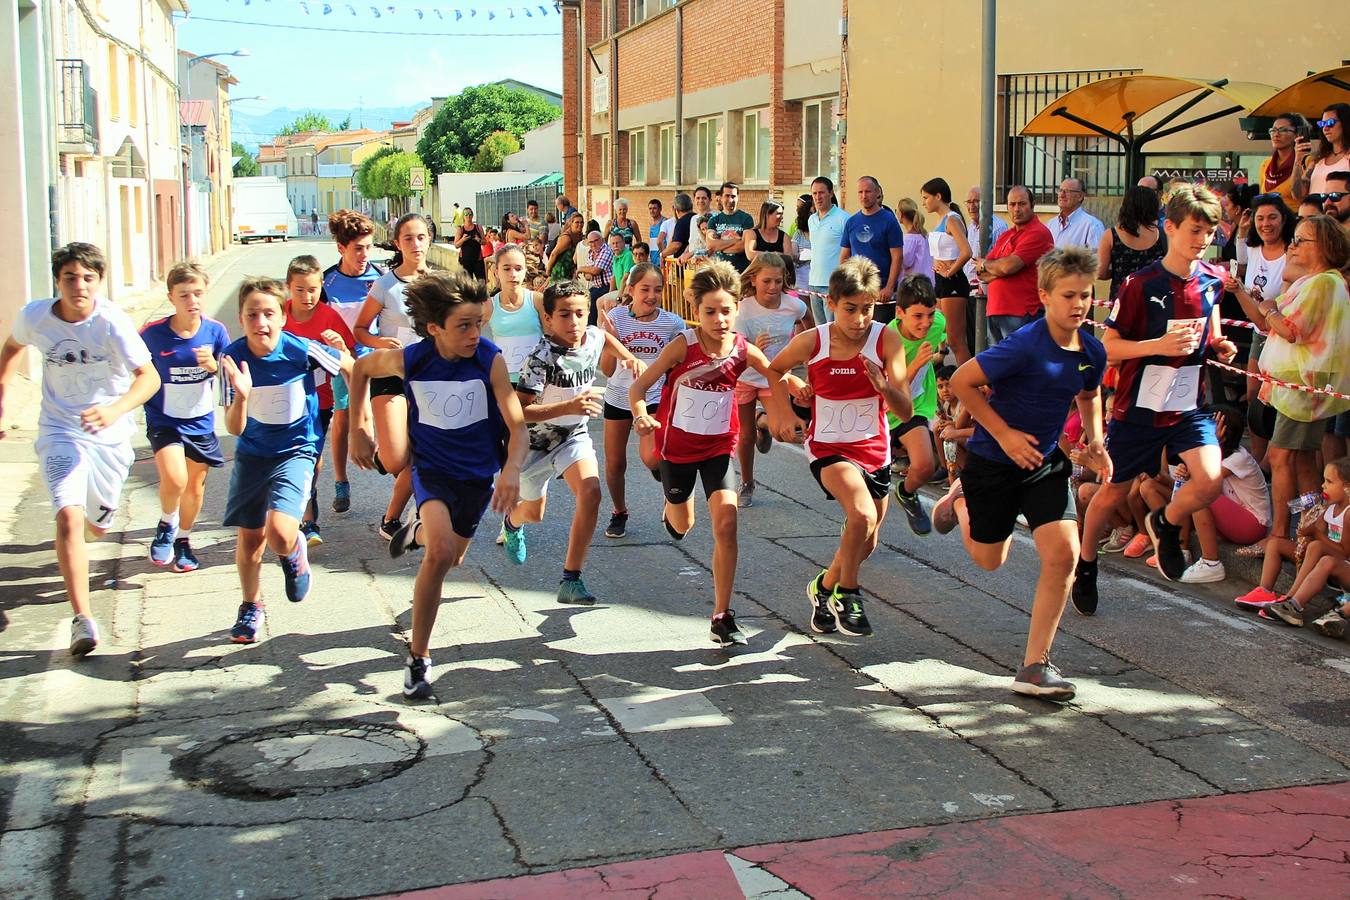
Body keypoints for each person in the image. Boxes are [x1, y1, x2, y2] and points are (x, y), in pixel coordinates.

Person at [931, 246, 1111, 701]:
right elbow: (963, 381)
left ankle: (1035, 665)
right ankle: (961, 500)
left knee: (1064, 553)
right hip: (994, 463)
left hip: (1045, 462)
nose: (1078, 304)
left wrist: (1094, 442)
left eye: (1085, 296)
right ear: (1045, 295)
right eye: (1068, 295)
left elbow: (1089, 395)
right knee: (990, 560)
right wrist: (1005, 434)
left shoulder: (1091, 350)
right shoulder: (1024, 345)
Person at [347, 271, 528, 699]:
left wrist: (512, 470)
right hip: (432, 469)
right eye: (463, 326)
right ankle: (419, 659)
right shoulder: (413, 359)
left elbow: (517, 427)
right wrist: (358, 425)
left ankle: (419, 532)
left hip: (478, 475)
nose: (473, 334)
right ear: (434, 329)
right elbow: (360, 368)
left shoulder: (490, 359)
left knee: (453, 558)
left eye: (477, 324)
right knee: (442, 553)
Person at [1072, 185, 1239, 615]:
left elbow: (1211, 322)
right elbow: (1107, 347)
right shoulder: (1139, 284)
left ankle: (1165, 521)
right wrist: (1158, 344)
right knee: (1112, 493)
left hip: (1188, 403)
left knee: (1209, 479)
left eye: (1209, 231)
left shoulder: (1211, 279)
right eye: (1194, 230)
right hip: (1139, 406)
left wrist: (1218, 344)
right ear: (1170, 228)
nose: (1202, 240)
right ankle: (1085, 566)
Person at [0, 243, 159, 655]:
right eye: (70, 277)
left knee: (99, 525)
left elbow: (149, 378)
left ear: (99, 282)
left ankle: (93, 528)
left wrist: (114, 409)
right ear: (58, 281)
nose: (79, 286)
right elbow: (10, 350)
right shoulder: (36, 316)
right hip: (60, 431)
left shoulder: (111, 324)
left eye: (88, 278)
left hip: (110, 436)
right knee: (68, 517)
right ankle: (83, 618)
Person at [629, 261, 781, 646]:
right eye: (710, 311)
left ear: (737, 309)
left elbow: (774, 371)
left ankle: (721, 615)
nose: (719, 319)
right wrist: (642, 415)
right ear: (696, 311)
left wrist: (792, 382)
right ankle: (670, 503)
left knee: (727, 525)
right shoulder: (683, 346)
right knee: (683, 526)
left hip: (718, 447)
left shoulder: (741, 349)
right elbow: (639, 388)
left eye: (726, 310)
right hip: (677, 450)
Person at [767, 257, 914, 637]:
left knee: (867, 540)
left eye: (867, 309)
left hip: (874, 449)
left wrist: (885, 389)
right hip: (829, 447)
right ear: (831, 303)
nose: (859, 319)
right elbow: (772, 369)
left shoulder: (888, 339)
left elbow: (906, 409)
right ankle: (848, 592)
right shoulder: (814, 340)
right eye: (850, 309)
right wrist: (786, 409)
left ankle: (824, 586)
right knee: (861, 515)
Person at [219, 277, 352, 643]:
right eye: (252, 315)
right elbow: (233, 426)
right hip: (252, 454)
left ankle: (293, 553)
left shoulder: (300, 349)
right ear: (241, 319)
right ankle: (251, 606)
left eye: (268, 314)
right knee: (250, 540)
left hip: (297, 450)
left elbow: (351, 366)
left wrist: (364, 417)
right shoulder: (231, 360)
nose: (260, 322)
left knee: (279, 532)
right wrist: (242, 397)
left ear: (282, 317)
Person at [502, 280, 644, 604]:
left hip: (572, 436)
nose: (574, 322)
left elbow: (604, 337)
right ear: (548, 319)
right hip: (534, 445)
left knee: (591, 492)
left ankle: (571, 579)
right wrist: (568, 406)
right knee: (533, 513)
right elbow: (519, 411)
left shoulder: (591, 337)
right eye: (564, 315)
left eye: (580, 313)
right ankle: (512, 522)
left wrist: (628, 358)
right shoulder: (540, 358)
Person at [1244, 216, 1350, 544]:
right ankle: (1309, 529)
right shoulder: (1315, 281)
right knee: (1304, 460)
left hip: (1303, 389)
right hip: (1297, 387)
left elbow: (1291, 330)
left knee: (1280, 456)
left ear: (1324, 247)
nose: (1292, 246)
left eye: (1301, 240)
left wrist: (1269, 309)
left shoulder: (1323, 283)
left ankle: (1280, 534)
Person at [140, 262, 230, 571]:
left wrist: (214, 367)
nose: (192, 301)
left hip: (200, 421)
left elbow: (230, 374)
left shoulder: (215, 331)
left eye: (198, 294)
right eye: (184, 295)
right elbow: (136, 369)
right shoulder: (152, 335)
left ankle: (184, 540)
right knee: (175, 478)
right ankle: (167, 524)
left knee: (194, 487)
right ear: (171, 297)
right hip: (164, 419)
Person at [353, 213, 433, 543]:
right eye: (408, 238)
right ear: (398, 243)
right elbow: (359, 329)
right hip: (390, 374)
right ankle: (382, 452)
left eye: (421, 237)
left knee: (423, 454)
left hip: (428, 378)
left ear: (429, 240)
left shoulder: (439, 283)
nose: (415, 244)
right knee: (397, 458)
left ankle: (391, 519)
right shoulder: (386, 284)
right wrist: (379, 341)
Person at [600, 263, 686, 538]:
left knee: (650, 457)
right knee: (614, 464)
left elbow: (680, 362)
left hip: (653, 396)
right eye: (645, 289)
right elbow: (607, 370)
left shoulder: (672, 323)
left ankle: (667, 479)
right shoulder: (616, 317)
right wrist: (612, 339)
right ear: (631, 289)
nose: (651, 295)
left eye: (657, 290)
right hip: (617, 396)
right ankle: (619, 511)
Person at [283, 254, 356, 546]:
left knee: (311, 458)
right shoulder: (279, 314)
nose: (307, 296)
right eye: (299, 289)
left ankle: (308, 513)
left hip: (319, 400)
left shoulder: (329, 316)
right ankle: (304, 519)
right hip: (286, 401)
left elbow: (350, 357)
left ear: (321, 285)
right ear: (288, 287)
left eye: (312, 289)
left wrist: (338, 346)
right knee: (292, 457)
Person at [1225, 193, 1295, 480]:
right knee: (1253, 394)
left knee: (1276, 398)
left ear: (1284, 219)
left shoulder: (1292, 252)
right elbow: (1239, 267)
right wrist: (1241, 230)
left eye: (1272, 217)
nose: (1266, 224)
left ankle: (1271, 460)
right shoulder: (1252, 248)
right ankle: (1258, 456)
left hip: (1281, 335)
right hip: (1258, 332)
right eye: (1261, 218)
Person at [733, 252, 810, 507]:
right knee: (744, 437)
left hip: (772, 375)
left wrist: (802, 346)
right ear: (753, 280)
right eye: (767, 281)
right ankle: (747, 483)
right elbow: (734, 347)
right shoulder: (743, 309)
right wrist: (752, 346)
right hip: (744, 376)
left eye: (778, 281)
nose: (773, 287)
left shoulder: (793, 305)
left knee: (784, 433)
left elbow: (806, 324)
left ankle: (763, 423)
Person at [321, 210, 385, 516]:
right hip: (342, 360)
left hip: (376, 359)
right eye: (357, 248)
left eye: (368, 247)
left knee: (386, 414)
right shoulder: (327, 282)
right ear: (341, 248)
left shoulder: (381, 279)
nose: (364, 254)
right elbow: (318, 323)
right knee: (343, 417)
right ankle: (340, 480)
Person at [1236, 457, 1349, 626]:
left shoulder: (1348, 513)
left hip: (1340, 564)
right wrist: (1307, 521)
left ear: (1347, 488)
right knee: (1275, 544)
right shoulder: (1328, 505)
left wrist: (1316, 535)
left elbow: (1344, 553)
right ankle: (1265, 591)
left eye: (1329, 482)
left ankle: (1291, 600)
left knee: (1317, 546)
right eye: (1324, 480)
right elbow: (1299, 514)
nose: (1323, 486)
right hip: (1321, 557)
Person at [1170, 405, 1269, 583]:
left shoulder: (1240, 458)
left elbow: (1205, 478)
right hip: (1231, 522)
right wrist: (1184, 470)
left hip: (1252, 525)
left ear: (1223, 431)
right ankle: (1182, 551)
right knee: (1189, 490)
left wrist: (1209, 444)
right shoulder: (1219, 455)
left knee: (1200, 492)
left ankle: (1211, 563)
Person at [887, 274, 945, 534]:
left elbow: (946, 332)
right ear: (900, 312)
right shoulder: (887, 338)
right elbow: (888, 387)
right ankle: (858, 520)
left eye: (930, 315)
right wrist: (916, 364)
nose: (926, 323)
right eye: (918, 316)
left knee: (924, 465)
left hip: (916, 404)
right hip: (884, 410)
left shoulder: (937, 324)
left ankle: (906, 492)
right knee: (870, 491)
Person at [972, 186, 1055, 345]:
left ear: (1032, 205)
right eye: (1012, 204)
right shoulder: (1006, 235)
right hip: (996, 311)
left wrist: (992, 265)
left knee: (1020, 365)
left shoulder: (1038, 233)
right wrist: (998, 267)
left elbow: (1007, 266)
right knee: (999, 367)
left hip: (1022, 313)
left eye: (1022, 204)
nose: (1017, 209)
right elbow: (982, 273)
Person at [920, 178, 974, 361]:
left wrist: (950, 271)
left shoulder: (952, 220)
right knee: (944, 334)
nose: (924, 202)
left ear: (938, 196)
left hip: (953, 282)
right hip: (940, 282)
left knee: (956, 341)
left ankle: (967, 382)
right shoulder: (941, 221)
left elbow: (966, 251)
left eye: (926, 198)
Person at [840, 176, 904, 323]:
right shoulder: (852, 222)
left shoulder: (889, 220)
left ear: (877, 193)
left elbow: (897, 256)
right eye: (860, 192)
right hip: (857, 290)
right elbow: (844, 256)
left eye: (868, 191)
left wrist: (889, 287)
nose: (864, 196)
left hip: (881, 293)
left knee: (879, 336)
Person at [483, 243, 546, 386]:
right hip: (504, 382)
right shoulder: (489, 305)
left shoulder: (537, 300)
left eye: (518, 268)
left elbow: (551, 338)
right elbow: (468, 336)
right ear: (496, 272)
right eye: (506, 269)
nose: (513, 274)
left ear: (525, 271)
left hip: (536, 380)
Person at [1097, 185, 1167, 299]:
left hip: (1122, 297)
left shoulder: (1111, 235)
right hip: (1153, 298)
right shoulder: (1162, 234)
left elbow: (1101, 272)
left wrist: (1117, 272)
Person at [807, 176, 849, 324]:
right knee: (820, 330)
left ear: (831, 193)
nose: (818, 197)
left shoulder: (843, 218)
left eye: (821, 192)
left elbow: (849, 252)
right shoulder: (811, 220)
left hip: (832, 284)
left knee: (833, 330)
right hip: (813, 283)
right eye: (814, 194)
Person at [1293, 103, 1350, 199]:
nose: (1325, 128)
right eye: (1322, 124)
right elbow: (1298, 195)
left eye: (1330, 123)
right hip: (1315, 213)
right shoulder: (1318, 160)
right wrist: (1298, 160)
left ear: (1345, 123)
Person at [962, 186, 1009, 286]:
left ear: (985, 203)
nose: (971, 206)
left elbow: (1002, 260)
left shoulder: (997, 227)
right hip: (969, 285)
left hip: (985, 286)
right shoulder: (971, 227)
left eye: (976, 201)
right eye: (969, 202)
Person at [1260, 113, 1306, 209]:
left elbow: (1301, 197)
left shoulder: (1306, 162)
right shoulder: (1266, 164)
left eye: (1283, 130)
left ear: (1297, 135)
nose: (1276, 134)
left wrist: (1298, 159)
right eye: (1273, 130)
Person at [706, 182, 756, 272]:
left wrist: (719, 247)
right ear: (721, 198)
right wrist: (736, 240)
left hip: (741, 272)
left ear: (738, 198)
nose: (730, 200)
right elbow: (711, 244)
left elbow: (743, 246)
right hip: (720, 272)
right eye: (727, 196)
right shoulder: (713, 220)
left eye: (733, 196)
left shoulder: (746, 218)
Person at [1048, 177, 1105, 250]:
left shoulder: (1092, 225)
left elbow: (1096, 259)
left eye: (1067, 191)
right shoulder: (1050, 224)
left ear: (1080, 196)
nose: (1062, 195)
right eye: (1060, 190)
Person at [896, 198, 936, 284]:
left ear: (901, 214)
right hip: (929, 283)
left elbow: (906, 262)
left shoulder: (909, 239)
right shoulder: (925, 236)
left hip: (913, 285)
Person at [746, 199, 796, 265]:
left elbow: (789, 258)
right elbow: (750, 255)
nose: (782, 217)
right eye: (778, 214)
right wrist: (776, 254)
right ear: (767, 215)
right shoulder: (752, 233)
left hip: (778, 274)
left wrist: (762, 255)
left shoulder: (784, 236)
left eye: (782, 214)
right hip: (758, 274)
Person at [577, 230, 615, 315]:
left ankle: (592, 325)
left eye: (596, 241)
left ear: (602, 240)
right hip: (597, 286)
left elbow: (596, 270)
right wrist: (589, 270)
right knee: (582, 297)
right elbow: (588, 276)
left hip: (608, 286)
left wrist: (581, 268)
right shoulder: (591, 252)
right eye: (591, 242)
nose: (593, 244)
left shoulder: (606, 250)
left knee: (592, 299)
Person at [787, 193, 813, 294]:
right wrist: (804, 255)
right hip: (801, 279)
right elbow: (793, 254)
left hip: (818, 279)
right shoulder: (798, 233)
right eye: (810, 214)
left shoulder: (822, 233)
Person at [547, 212, 584, 283]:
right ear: (571, 223)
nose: (580, 224)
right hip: (560, 272)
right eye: (577, 222)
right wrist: (548, 271)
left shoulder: (579, 235)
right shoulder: (566, 238)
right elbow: (554, 254)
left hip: (569, 271)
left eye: (582, 222)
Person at [454, 208, 487, 281]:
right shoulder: (461, 229)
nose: (468, 216)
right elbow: (456, 245)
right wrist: (463, 239)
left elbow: (485, 242)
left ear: (472, 216)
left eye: (470, 214)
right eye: (466, 214)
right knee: (467, 284)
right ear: (463, 216)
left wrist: (479, 240)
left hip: (477, 259)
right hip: (465, 260)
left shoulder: (478, 227)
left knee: (482, 281)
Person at [664, 192, 694, 259]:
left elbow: (676, 245)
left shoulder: (681, 222)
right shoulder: (697, 218)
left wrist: (662, 254)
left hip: (683, 263)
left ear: (676, 209)